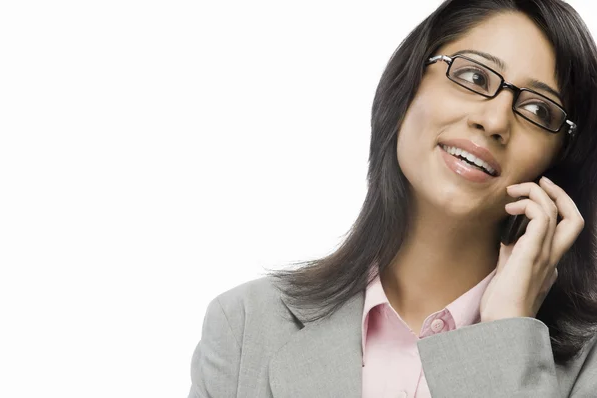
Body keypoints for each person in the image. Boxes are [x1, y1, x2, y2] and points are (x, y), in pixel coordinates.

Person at [189, 0, 597, 396]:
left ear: (560, 160)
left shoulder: (588, 367)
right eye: (474, 77)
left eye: (539, 110)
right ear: (408, 87)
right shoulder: (245, 327)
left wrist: (506, 333)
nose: (493, 121)